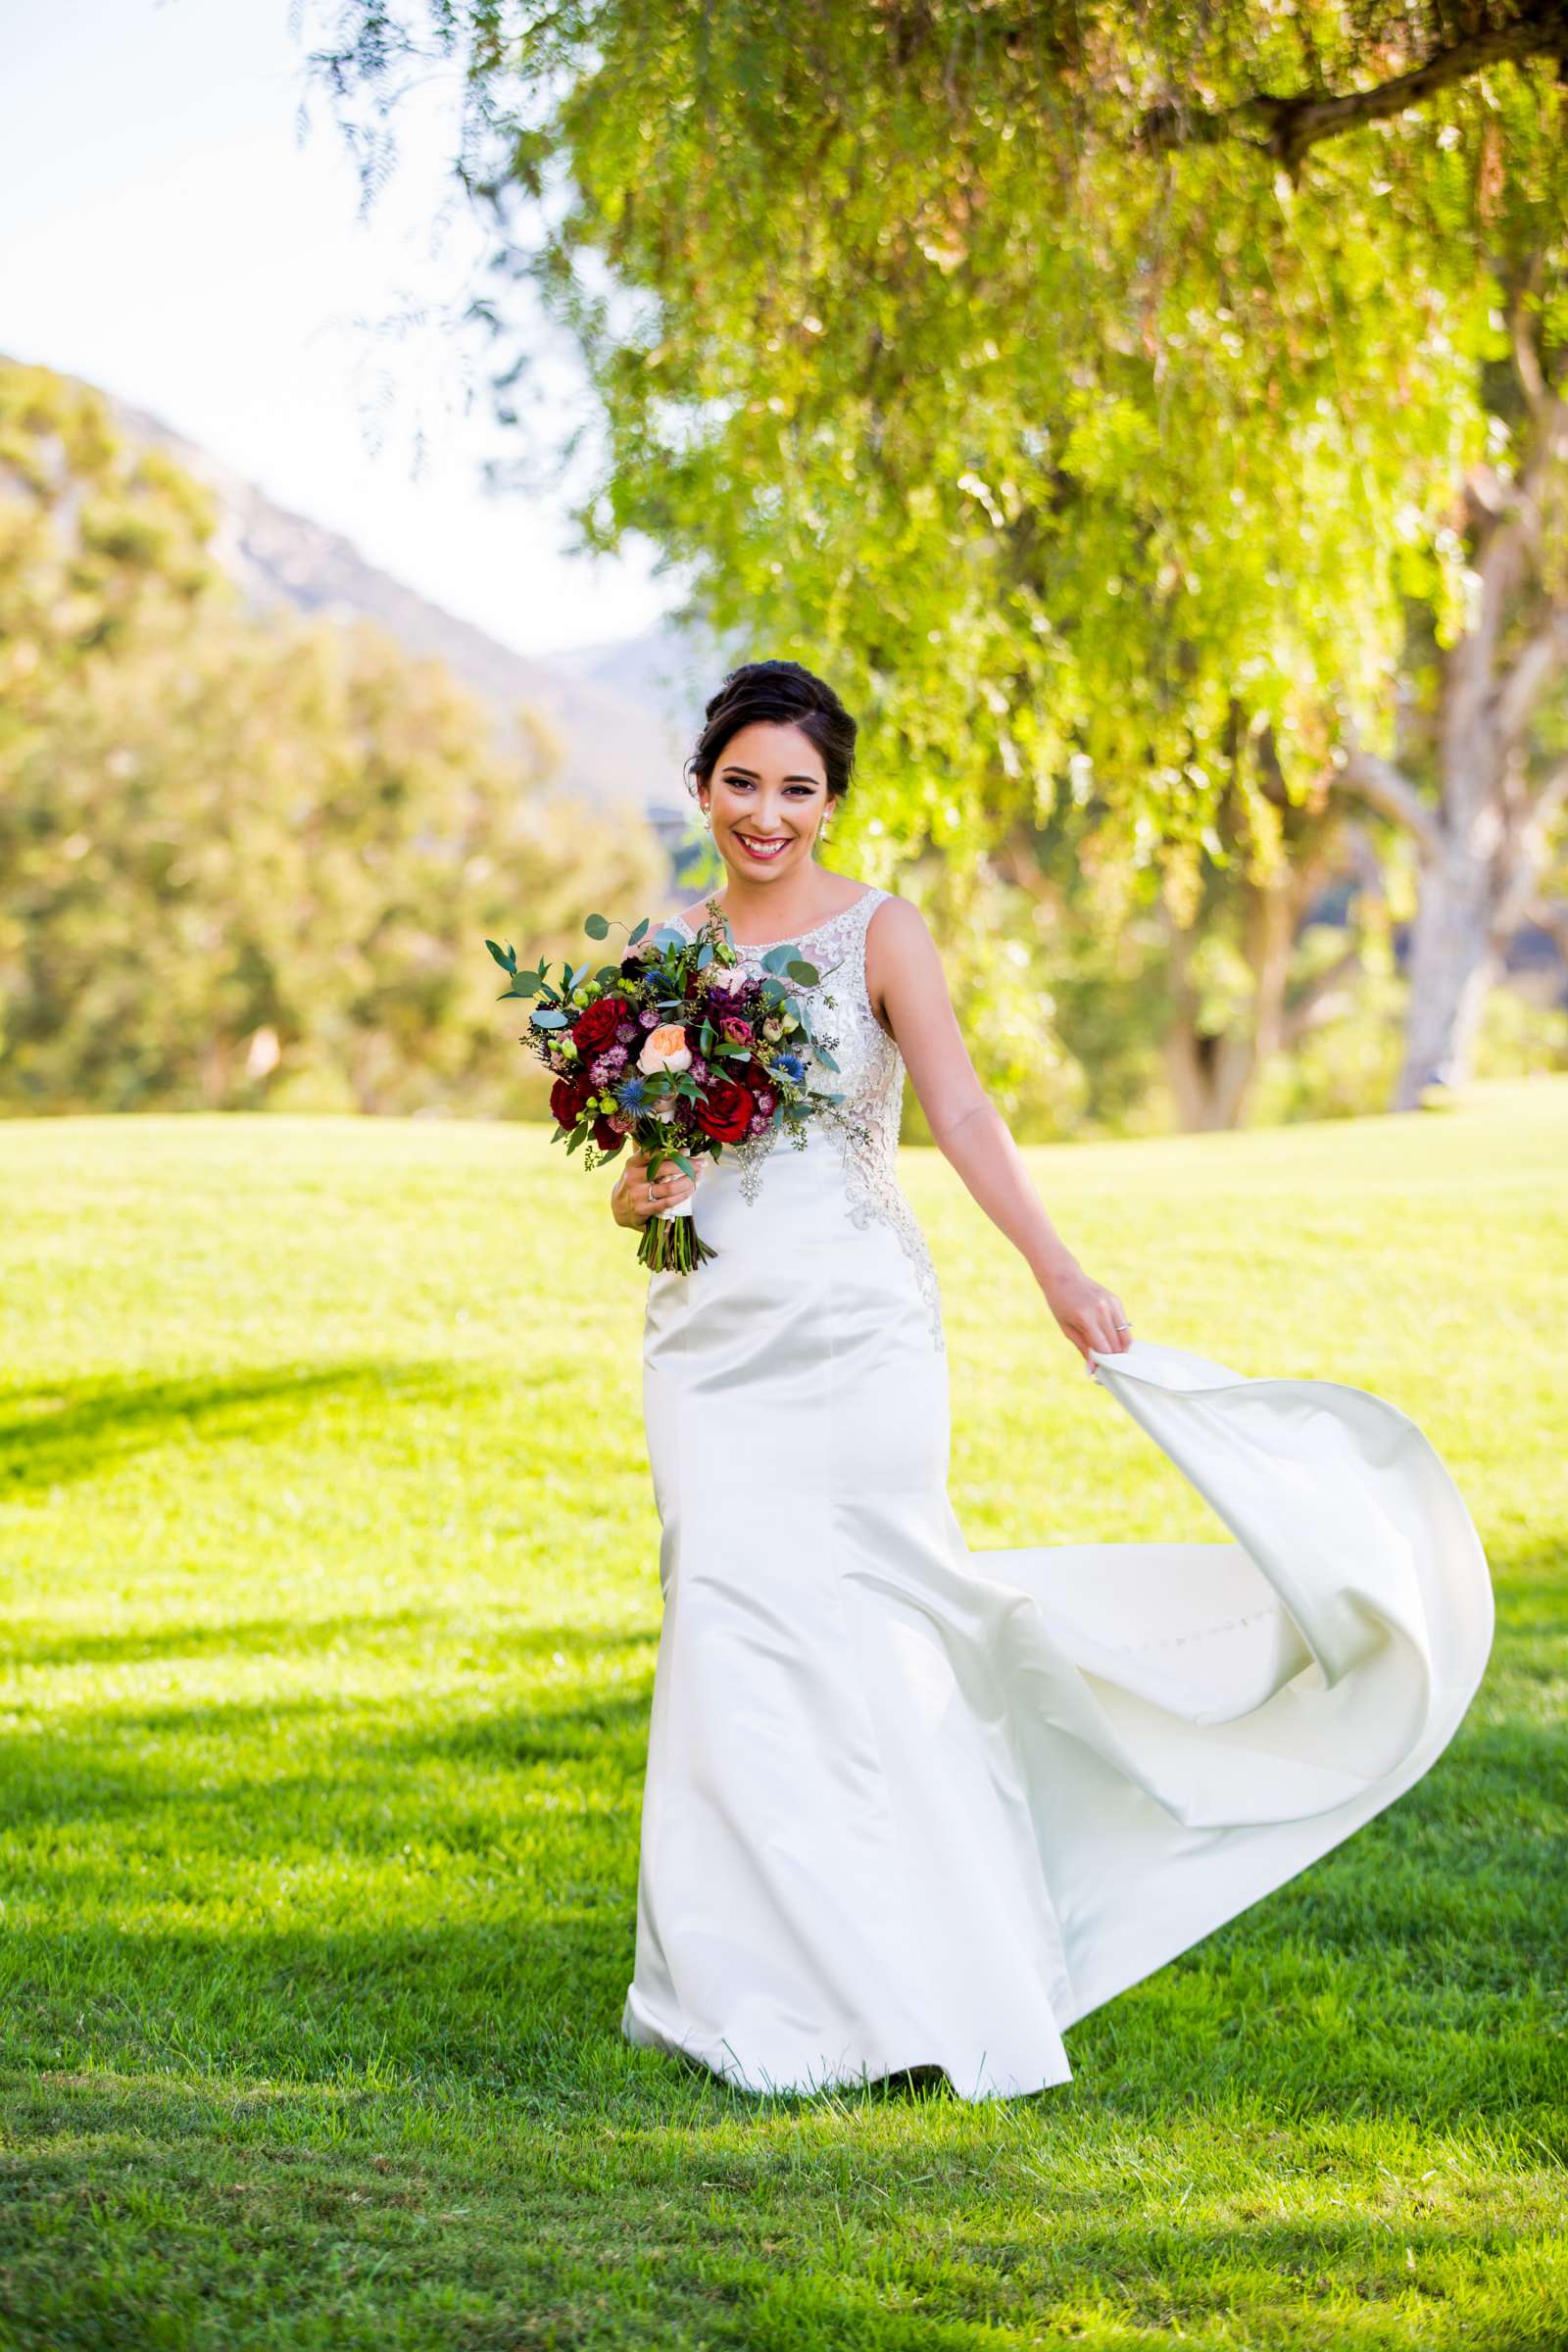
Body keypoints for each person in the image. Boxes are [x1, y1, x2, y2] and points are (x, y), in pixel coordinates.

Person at [611, 659, 1494, 2101]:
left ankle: (909, 1982)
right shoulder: (664, 948)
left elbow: (957, 1108)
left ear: (833, 801)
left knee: (877, 1619)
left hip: (853, 1329)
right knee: (720, 1608)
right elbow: (638, 1172)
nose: (768, 813)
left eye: (799, 788)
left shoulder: (881, 933)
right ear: (702, 784)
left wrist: (1055, 1266)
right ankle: (734, 1980)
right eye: (742, 782)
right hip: (709, 1337)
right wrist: (639, 1188)